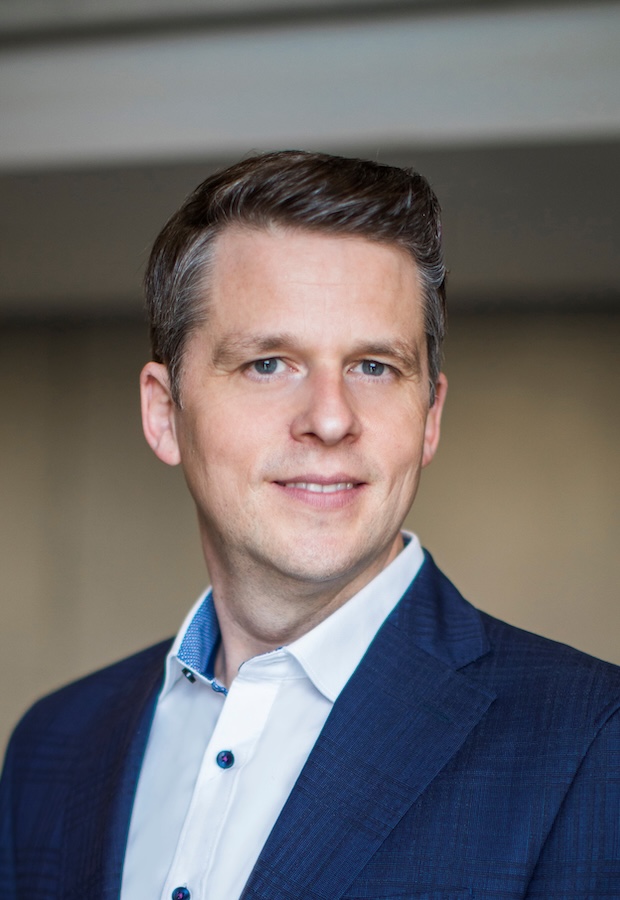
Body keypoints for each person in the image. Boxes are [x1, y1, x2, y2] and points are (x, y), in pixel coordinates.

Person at [1, 150, 619, 899]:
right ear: (164, 413)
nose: (330, 419)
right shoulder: (55, 746)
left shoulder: (591, 742)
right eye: (269, 363)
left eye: (374, 367)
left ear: (430, 417)